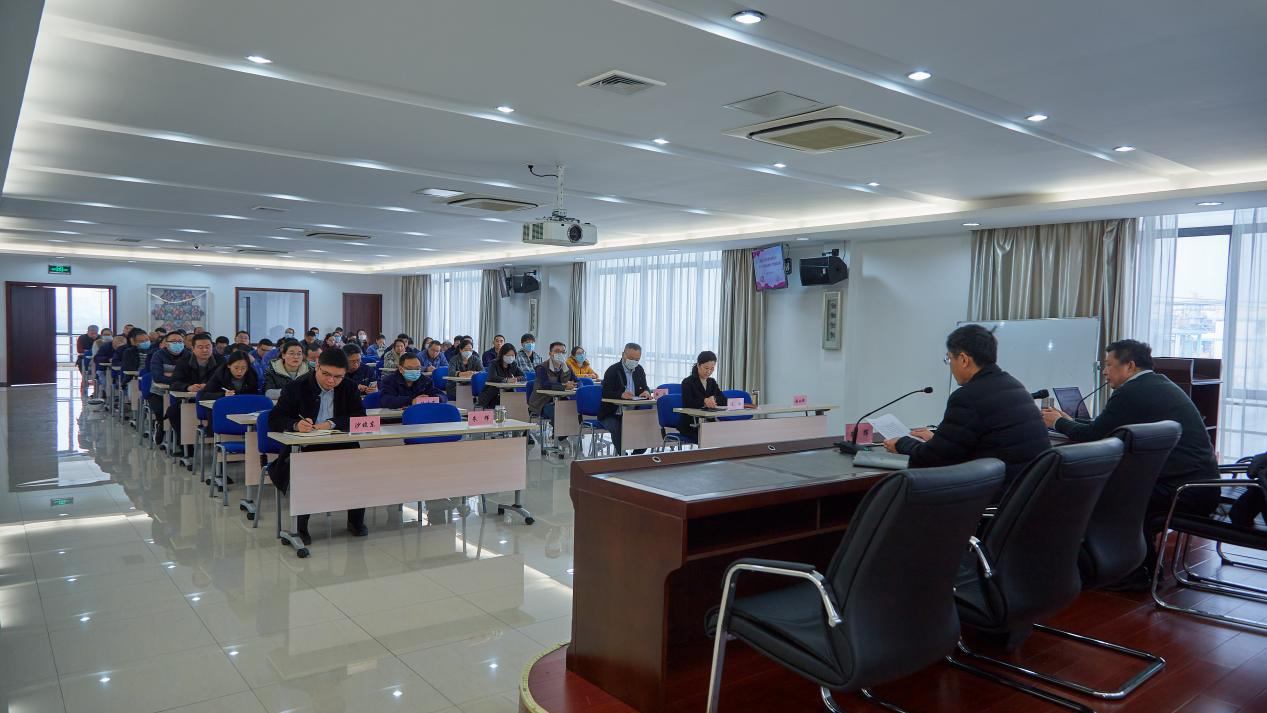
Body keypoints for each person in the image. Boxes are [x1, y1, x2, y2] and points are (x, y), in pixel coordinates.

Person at [1042, 338, 1221, 589]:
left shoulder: (1131, 392)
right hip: (1198, 487)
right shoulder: (1157, 384)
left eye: (1109, 365)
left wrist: (1058, 423)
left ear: (1130, 366)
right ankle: (1130, 565)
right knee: (1116, 490)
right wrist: (1068, 421)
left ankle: (1133, 572)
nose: (1104, 372)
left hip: (1183, 492)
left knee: (1104, 496)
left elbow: (1094, 436)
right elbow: (1105, 429)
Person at [885, 324, 1050, 496]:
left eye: (949, 359)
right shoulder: (1014, 385)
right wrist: (937, 439)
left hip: (996, 497)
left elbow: (935, 459)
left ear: (963, 360)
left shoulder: (967, 396)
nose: (950, 366)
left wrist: (902, 444)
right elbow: (986, 440)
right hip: (1027, 494)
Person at [266, 348, 368, 542]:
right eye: (326, 374)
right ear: (317, 367)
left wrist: (331, 423)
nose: (331, 381)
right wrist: (295, 425)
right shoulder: (296, 387)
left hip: (341, 446)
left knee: (360, 468)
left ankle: (355, 521)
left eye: (338, 377)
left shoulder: (349, 387)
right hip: (306, 448)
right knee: (306, 471)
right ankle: (300, 527)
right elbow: (274, 419)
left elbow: (359, 417)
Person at [169, 334, 223, 458]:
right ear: (193, 349)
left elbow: (226, 382)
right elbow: (174, 383)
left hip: (213, 400)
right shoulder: (184, 362)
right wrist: (188, 387)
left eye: (208, 347)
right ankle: (186, 446)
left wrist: (209, 386)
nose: (205, 350)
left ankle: (224, 449)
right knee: (173, 412)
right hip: (189, 400)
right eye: (200, 347)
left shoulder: (221, 361)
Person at [598, 342, 653, 454]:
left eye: (637, 359)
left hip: (632, 412)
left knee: (646, 429)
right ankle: (622, 456)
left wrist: (646, 391)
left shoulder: (639, 370)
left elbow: (644, 386)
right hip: (612, 413)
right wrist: (621, 395)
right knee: (617, 427)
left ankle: (636, 457)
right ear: (623, 354)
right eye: (631, 358)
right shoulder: (613, 370)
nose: (634, 362)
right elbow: (605, 393)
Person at [147, 331, 187, 446]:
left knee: (181, 412)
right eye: (173, 341)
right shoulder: (158, 355)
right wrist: (178, 377)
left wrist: (170, 375)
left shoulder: (188, 355)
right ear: (166, 343)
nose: (177, 344)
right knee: (162, 411)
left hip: (181, 393)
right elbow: (158, 377)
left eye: (180, 341)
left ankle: (181, 441)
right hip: (158, 393)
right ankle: (161, 426)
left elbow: (190, 377)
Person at [678, 350, 725, 442]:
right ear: (698, 365)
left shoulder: (712, 382)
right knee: (712, 438)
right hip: (691, 424)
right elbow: (688, 402)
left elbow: (724, 399)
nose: (709, 371)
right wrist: (704, 401)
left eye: (712, 369)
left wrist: (714, 399)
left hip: (709, 423)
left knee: (726, 434)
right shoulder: (688, 382)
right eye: (706, 368)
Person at [529, 342, 577, 424]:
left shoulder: (567, 367)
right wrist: (564, 386)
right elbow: (545, 385)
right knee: (558, 413)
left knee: (575, 410)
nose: (560, 354)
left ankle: (568, 432)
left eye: (563, 352)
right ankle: (556, 432)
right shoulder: (541, 367)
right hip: (542, 402)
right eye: (557, 351)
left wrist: (574, 385)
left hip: (562, 400)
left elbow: (577, 381)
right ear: (550, 354)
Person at [378, 352, 446, 408]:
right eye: (410, 368)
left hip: (421, 415)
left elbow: (442, 396)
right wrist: (411, 401)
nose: (414, 371)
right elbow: (385, 400)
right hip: (396, 418)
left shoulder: (426, 381)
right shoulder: (389, 380)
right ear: (401, 369)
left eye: (417, 368)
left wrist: (434, 399)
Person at [477, 343, 524, 409]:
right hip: (493, 393)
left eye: (512, 355)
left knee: (517, 401)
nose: (510, 357)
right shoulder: (494, 363)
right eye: (508, 355)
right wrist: (506, 380)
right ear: (502, 355)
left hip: (508, 391)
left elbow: (523, 376)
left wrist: (516, 379)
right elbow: (492, 377)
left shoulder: (514, 364)